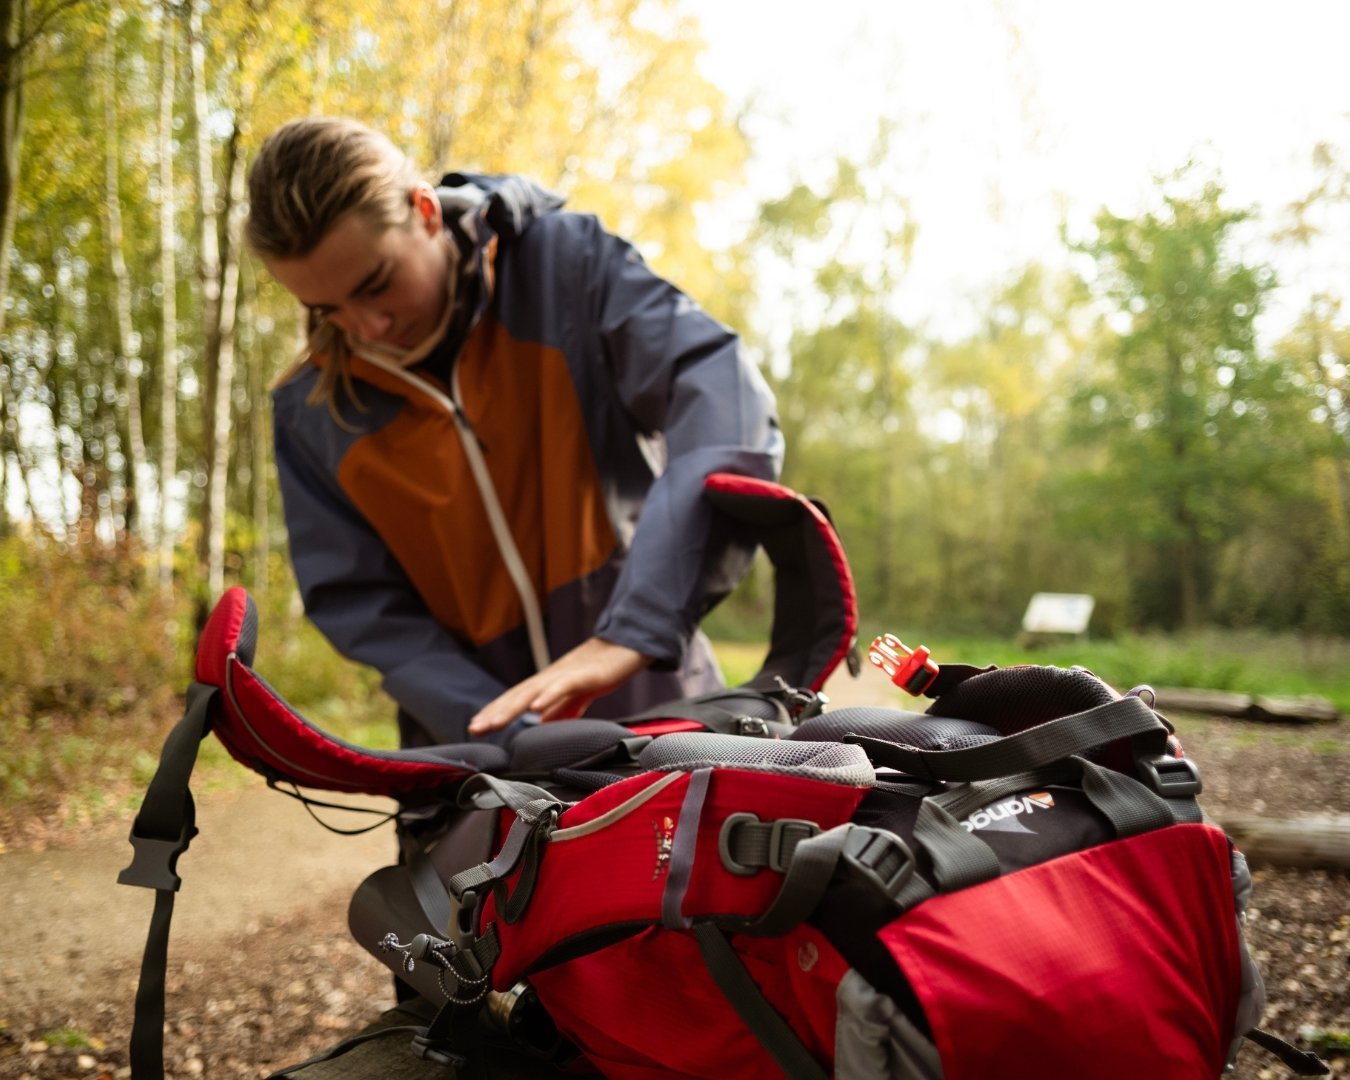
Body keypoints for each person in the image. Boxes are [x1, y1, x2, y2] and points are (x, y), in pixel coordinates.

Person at [245, 116, 783, 749]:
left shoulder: (567, 268)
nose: (369, 326)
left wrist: (637, 630)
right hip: (475, 758)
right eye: (326, 310)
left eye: (377, 283)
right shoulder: (311, 411)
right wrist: (505, 728)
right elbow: (360, 601)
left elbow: (722, 400)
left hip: (662, 711)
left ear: (424, 212)